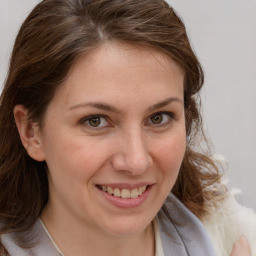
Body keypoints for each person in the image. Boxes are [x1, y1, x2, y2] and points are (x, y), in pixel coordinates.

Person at [0, 0, 254, 255]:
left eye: (158, 118)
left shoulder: (235, 237)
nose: (136, 162)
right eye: (95, 121)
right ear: (31, 132)